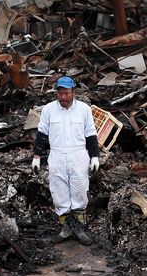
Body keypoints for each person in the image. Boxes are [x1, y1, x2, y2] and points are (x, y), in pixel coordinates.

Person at [31, 76, 100, 244]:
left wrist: (95, 156)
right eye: (60, 93)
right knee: (59, 193)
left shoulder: (84, 109)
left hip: (78, 156)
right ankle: (65, 229)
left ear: (73, 92)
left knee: (80, 191)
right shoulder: (48, 110)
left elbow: (90, 134)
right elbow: (42, 134)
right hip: (57, 156)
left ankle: (79, 228)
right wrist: (36, 157)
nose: (63, 97)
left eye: (66, 93)